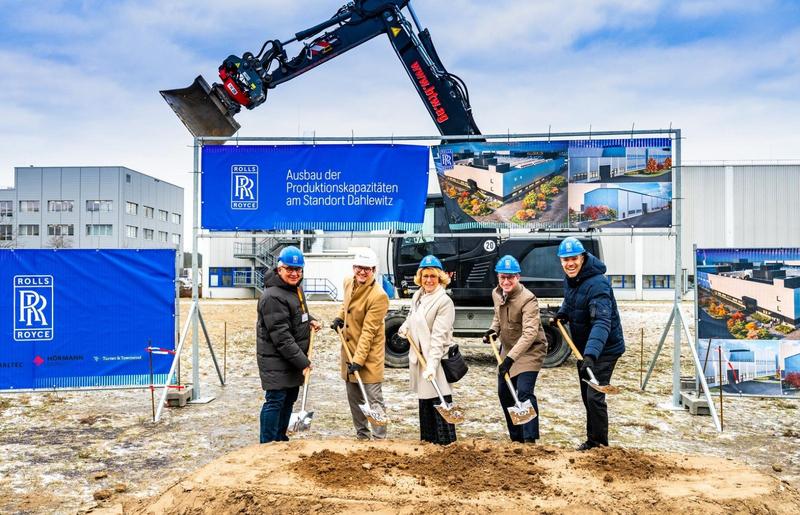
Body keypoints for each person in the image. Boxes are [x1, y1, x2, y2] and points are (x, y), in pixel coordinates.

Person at [550, 237, 625, 451]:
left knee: (594, 396)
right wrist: (563, 313)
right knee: (586, 394)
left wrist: (591, 355)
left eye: (573, 258)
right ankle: (592, 440)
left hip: (605, 348)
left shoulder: (598, 284)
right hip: (584, 348)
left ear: (582, 257)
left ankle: (599, 445)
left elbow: (602, 322)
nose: (569, 263)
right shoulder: (572, 279)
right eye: (565, 260)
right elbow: (571, 300)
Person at [256, 246, 320, 443]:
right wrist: (303, 362)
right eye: (290, 269)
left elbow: (294, 314)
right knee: (275, 401)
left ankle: (280, 438)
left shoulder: (295, 289)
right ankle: (268, 443)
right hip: (277, 359)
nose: (294, 273)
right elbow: (282, 337)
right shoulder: (272, 296)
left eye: (298, 269)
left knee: (289, 399)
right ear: (279, 269)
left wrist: (310, 320)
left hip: (291, 358)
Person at [483, 255, 548, 444]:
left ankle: (529, 440)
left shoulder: (528, 299)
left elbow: (530, 334)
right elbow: (498, 316)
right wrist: (493, 330)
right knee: (504, 393)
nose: (506, 281)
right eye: (502, 277)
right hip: (509, 349)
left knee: (524, 392)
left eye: (510, 277)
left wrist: (510, 359)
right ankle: (516, 439)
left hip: (530, 351)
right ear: (498, 277)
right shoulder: (497, 293)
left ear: (518, 277)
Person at [330, 248, 390, 440]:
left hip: (369, 356)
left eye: (367, 268)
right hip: (350, 352)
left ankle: (379, 439)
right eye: (359, 267)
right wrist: (340, 317)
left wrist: (359, 360)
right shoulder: (349, 282)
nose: (362, 272)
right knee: (355, 400)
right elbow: (346, 304)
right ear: (353, 267)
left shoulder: (378, 296)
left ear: (374, 270)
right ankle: (362, 436)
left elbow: (368, 332)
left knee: (373, 399)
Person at [397, 255, 457, 445]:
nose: (429, 280)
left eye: (433, 276)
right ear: (420, 277)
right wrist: (405, 326)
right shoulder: (418, 296)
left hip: (437, 360)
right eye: (425, 276)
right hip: (420, 358)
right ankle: (428, 445)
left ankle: (447, 446)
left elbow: (439, 337)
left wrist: (432, 365)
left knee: (439, 401)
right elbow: (413, 317)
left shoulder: (444, 302)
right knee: (425, 403)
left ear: (440, 278)